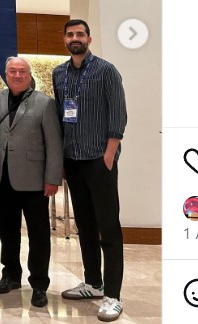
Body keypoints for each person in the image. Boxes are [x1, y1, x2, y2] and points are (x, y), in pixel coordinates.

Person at [52, 19, 127, 322]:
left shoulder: (106, 70)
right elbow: (61, 115)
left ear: (89, 39)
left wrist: (109, 155)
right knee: (84, 225)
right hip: (73, 160)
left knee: (108, 228)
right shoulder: (59, 73)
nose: (75, 38)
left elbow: (118, 114)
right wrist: (61, 159)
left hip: (99, 160)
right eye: (70, 34)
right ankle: (93, 283)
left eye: (80, 34)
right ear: (65, 40)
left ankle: (113, 295)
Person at [0, 57, 63, 308]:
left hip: (35, 182)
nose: (17, 75)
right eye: (13, 71)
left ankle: (39, 283)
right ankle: (10, 275)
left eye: (22, 71)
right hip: (4, 178)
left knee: (38, 234)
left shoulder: (45, 103)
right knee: (7, 231)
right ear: (6, 74)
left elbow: (54, 144)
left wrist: (52, 178)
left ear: (29, 75)